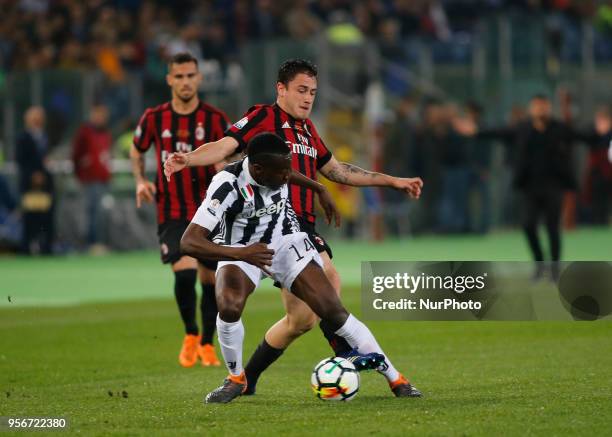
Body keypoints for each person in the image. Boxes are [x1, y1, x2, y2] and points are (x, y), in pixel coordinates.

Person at [164, 59, 423, 396]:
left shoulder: (307, 129)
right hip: (272, 225)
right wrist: (189, 158)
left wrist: (391, 181)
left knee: (300, 321)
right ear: (281, 89)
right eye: (301, 90)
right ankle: (346, 353)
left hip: (291, 224)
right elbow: (226, 147)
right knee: (328, 279)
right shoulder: (262, 118)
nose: (307, 98)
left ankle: (250, 378)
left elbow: (338, 171)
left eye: (313, 92)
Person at [130, 52, 229, 368]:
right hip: (171, 208)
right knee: (184, 273)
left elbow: (229, 154)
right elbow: (137, 149)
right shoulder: (155, 117)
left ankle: (206, 344)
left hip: (209, 209)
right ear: (169, 79)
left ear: (199, 78)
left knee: (210, 279)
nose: (185, 82)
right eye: (179, 76)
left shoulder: (214, 119)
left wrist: (222, 165)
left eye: (191, 76)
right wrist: (140, 180)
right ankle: (190, 335)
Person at [458, 95, 576, 281]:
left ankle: (554, 270)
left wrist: (603, 132)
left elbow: (581, 136)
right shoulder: (524, 129)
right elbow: (499, 132)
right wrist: (476, 131)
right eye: (537, 107)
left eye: (543, 107)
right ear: (531, 109)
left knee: (553, 228)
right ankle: (539, 264)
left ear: (549, 108)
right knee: (528, 225)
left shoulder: (559, 129)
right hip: (530, 186)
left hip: (554, 185)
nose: (540, 110)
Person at [72, 104, 112, 250]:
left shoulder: (105, 133)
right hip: (90, 181)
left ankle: (99, 243)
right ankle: (90, 244)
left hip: (103, 180)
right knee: (91, 213)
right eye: (98, 114)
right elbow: (76, 156)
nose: (101, 118)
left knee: (101, 213)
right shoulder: (84, 133)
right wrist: (81, 175)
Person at [15, 106, 55, 255]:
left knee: (46, 217)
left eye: (40, 117)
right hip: (29, 184)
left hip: (45, 184)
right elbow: (20, 159)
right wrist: (33, 174)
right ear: (27, 119)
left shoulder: (45, 136)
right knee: (29, 217)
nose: (37, 120)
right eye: (34, 117)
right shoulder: (22, 137)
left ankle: (46, 248)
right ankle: (26, 248)